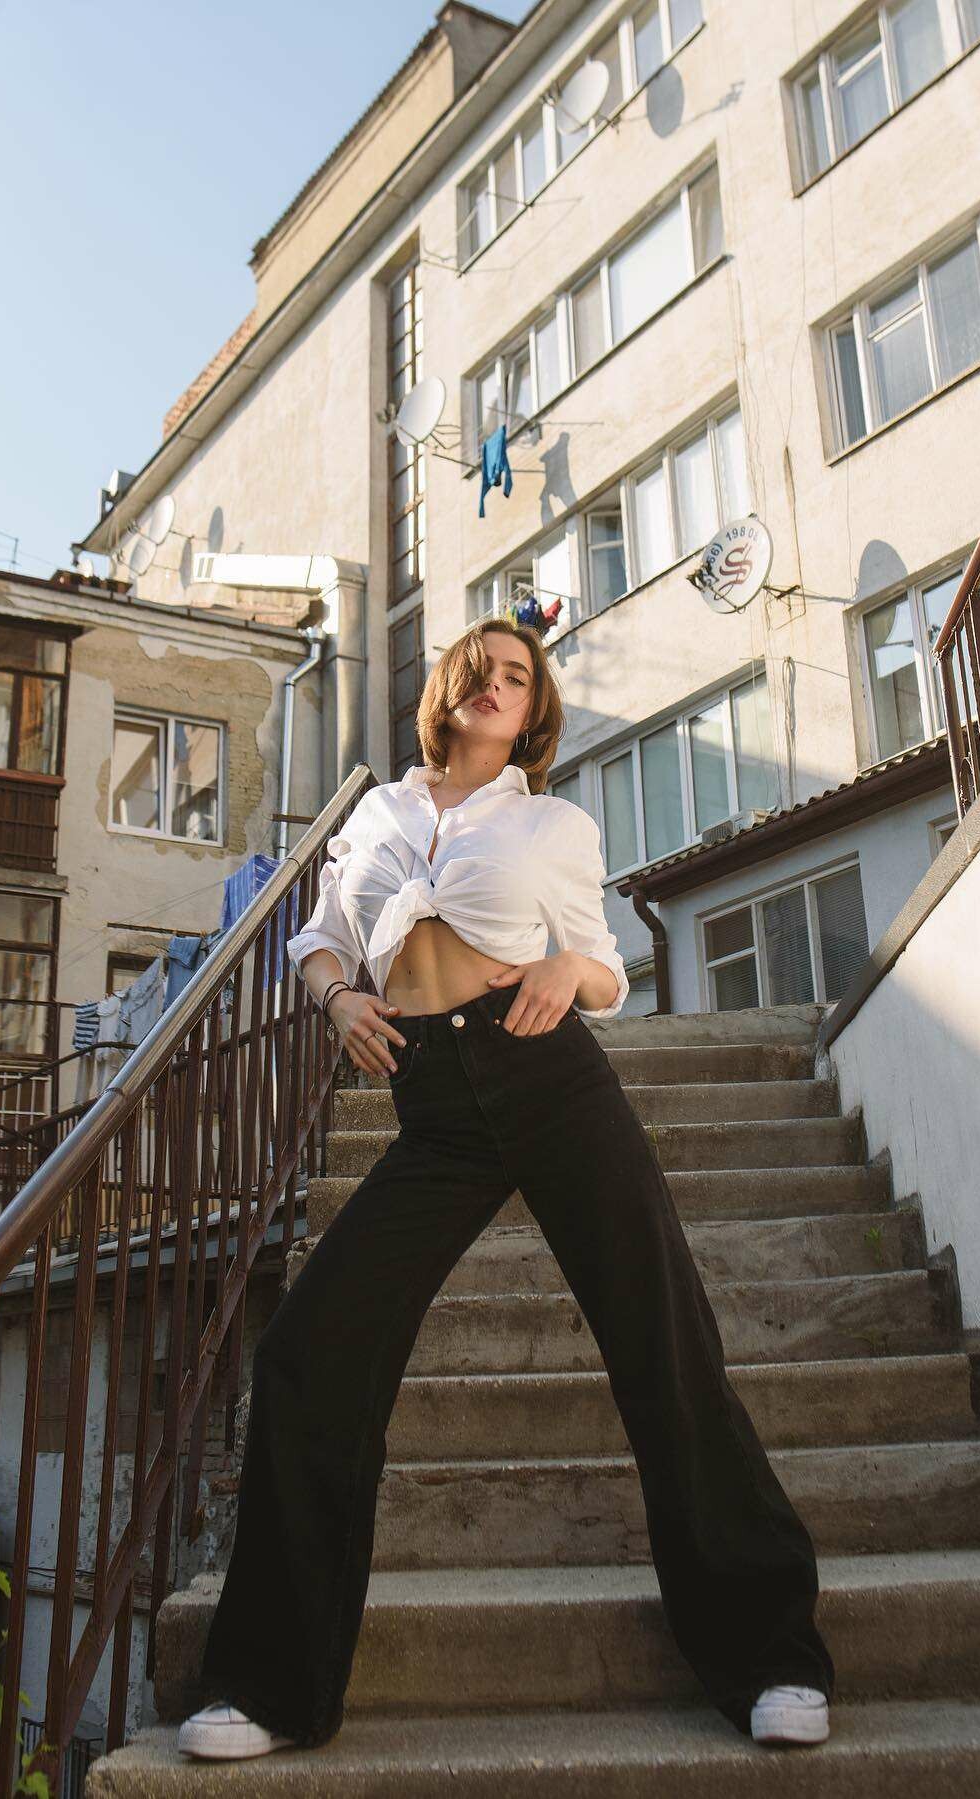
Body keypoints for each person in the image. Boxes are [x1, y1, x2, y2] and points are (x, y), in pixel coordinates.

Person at [177, 618, 835, 1762]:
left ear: (534, 711)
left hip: (548, 1077)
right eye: (477, 669)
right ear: (447, 688)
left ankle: (770, 1654)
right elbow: (321, 937)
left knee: (663, 1338)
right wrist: (338, 999)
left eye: (516, 675)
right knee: (308, 1350)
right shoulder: (374, 814)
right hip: (433, 1104)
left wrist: (565, 966)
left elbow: (604, 967)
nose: (494, 684)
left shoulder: (550, 822)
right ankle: (274, 1686)